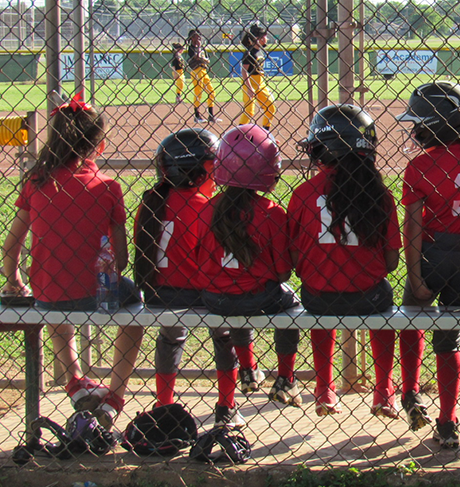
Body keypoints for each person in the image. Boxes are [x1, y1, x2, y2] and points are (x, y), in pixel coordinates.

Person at [1, 94, 142, 429]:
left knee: (52, 288)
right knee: (135, 307)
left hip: (47, 292)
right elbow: (120, 259)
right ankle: (114, 398)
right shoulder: (107, 186)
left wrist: (13, 279)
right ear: (100, 146)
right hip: (98, 292)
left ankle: (75, 382)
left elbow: (12, 244)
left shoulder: (35, 181)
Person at [396, 81, 460, 448]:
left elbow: (414, 226)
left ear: (438, 125)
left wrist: (416, 274)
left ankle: (410, 392)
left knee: (412, 316)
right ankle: (448, 420)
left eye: (420, 123)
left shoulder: (419, 165)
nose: (415, 130)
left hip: (432, 255)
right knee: (448, 337)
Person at [288, 104, 402, 417]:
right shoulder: (381, 194)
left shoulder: (302, 194)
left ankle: (324, 387)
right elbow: (391, 262)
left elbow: (295, 258)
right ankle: (384, 390)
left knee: (317, 292)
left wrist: (320, 268)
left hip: (318, 297)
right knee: (385, 296)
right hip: (370, 297)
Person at [198, 124, 297, 426]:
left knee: (229, 309)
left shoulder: (206, 208)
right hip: (257, 298)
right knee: (290, 303)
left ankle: (245, 371)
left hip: (214, 298)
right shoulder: (272, 212)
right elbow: (282, 272)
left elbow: (199, 262)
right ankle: (285, 378)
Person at [133, 128, 223, 409]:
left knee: (170, 336)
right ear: (200, 171)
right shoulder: (207, 208)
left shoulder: (150, 203)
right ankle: (226, 404)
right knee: (224, 331)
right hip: (200, 295)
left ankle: (163, 404)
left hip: (159, 295)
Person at [239, 24, 276, 131]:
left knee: (271, 107)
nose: (266, 39)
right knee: (249, 111)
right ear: (257, 38)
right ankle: (237, 135)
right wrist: (250, 88)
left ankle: (266, 132)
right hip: (250, 82)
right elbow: (244, 71)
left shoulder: (260, 50)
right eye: (264, 36)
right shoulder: (249, 52)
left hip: (260, 83)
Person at [187, 29, 218, 124]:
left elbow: (207, 60)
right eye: (196, 36)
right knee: (198, 93)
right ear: (191, 38)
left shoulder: (202, 48)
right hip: (196, 71)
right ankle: (197, 116)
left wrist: (202, 58)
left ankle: (211, 115)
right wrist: (201, 56)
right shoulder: (191, 48)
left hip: (204, 71)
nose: (198, 38)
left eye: (199, 36)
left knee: (211, 92)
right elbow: (197, 57)